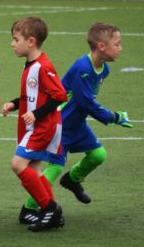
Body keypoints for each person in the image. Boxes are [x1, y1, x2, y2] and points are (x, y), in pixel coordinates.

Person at [1, 17, 68, 231]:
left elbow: (59, 95)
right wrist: (14, 103)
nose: (12, 44)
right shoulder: (32, 65)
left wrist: (36, 114)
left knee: (17, 164)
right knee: (35, 170)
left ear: (31, 41)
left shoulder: (43, 66)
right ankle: (52, 213)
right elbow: (33, 95)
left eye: (15, 39)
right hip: (36, 125)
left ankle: (48, 208)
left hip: (42, 126)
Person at [55, 22, 133, 204]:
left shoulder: (104, 70)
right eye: (117, 44)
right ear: (101, 46)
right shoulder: (83, 68)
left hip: (77, 124)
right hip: (60, 124)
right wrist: (114, 117)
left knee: (98, 155)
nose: (120, 48)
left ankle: (72, 180)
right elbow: (87, 103)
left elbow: (87, 103)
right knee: (54, 169)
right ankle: (30, 207)